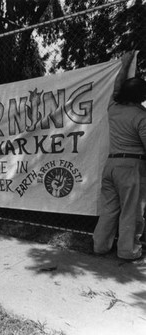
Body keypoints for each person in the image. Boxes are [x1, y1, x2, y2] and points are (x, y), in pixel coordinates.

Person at [93, 51, 146, 261]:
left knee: (109, 209)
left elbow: (117, 87)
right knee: (132, 211)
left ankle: (100, 246)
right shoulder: (142, 116)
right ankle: (127, 250)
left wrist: (124, 65)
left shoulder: (113, 107)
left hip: (111, 165)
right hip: (132, 167)